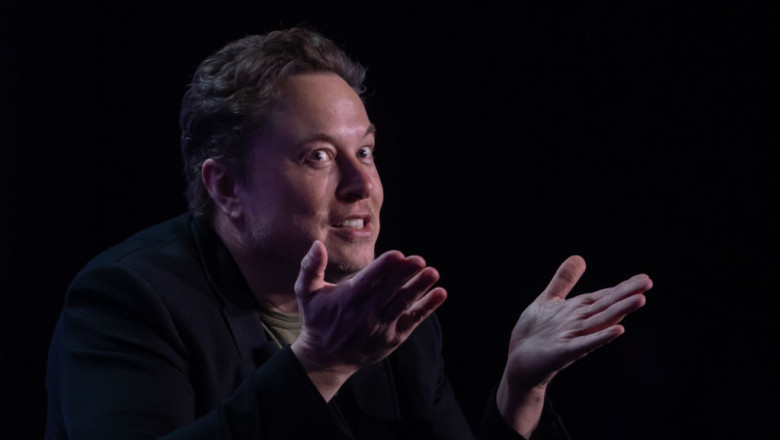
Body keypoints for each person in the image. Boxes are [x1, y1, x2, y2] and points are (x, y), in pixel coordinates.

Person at [45, 27, 652, 439]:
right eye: (317, 156)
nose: (363, 185)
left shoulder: (394, 310)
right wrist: (319, 363)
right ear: (226, 187)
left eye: (365, 151)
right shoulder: (127, 300)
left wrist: (521, 390)